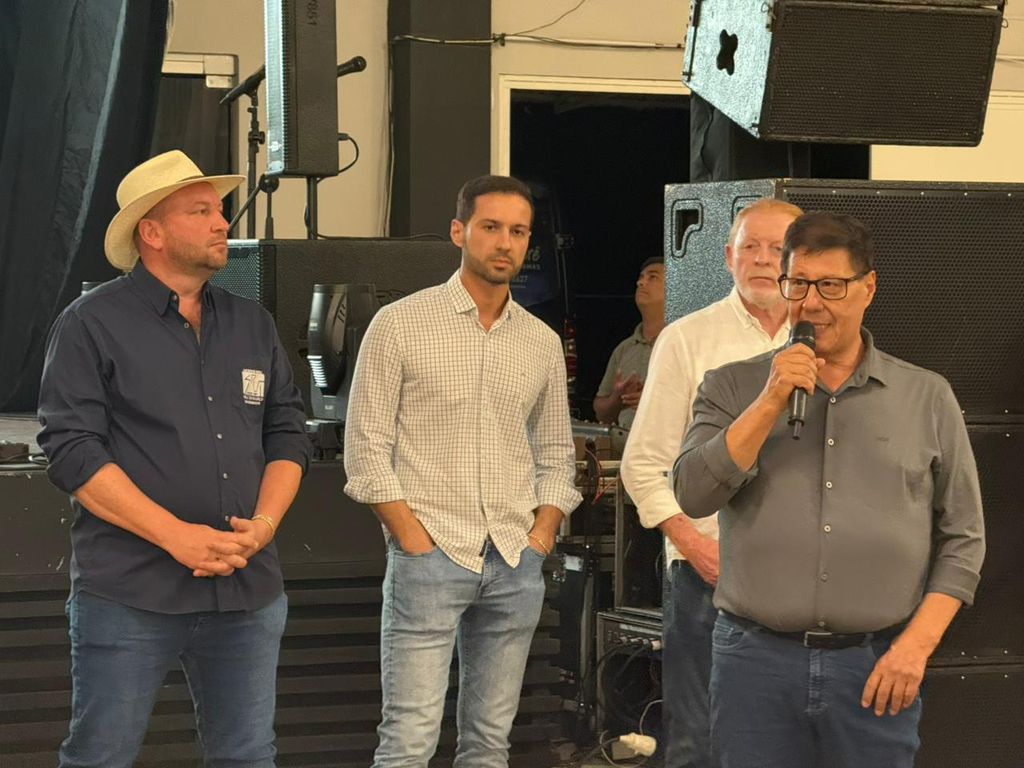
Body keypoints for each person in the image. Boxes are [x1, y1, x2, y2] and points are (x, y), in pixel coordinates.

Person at [673, 211, 985, 768]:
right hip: (754, 664)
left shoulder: (927, 396)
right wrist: (769, 400)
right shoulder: (732, 386)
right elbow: (693, 494)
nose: (811, 303)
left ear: (869, 288)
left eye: (831, 286)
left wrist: (914, 648)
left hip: (876, 665)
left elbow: (964, 537)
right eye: (797, 284)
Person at [37, 150, 311, 768]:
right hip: (131, 593)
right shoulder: (90, 324)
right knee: (101, 757)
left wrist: (265, 526)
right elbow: (72, 452)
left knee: (247, 756)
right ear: (152, 234)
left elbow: (287, 432)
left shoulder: (251, 323)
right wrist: (176, 537)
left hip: (247, 592)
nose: (222, 222)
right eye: (200, 211)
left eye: (219, 209)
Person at [343, 175, 581, 768]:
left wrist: (541, 536)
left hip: (515, 556)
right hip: (430, 552)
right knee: (408, 741)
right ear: (459, 231)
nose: (505, 243)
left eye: (519, 231)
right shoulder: (400, 323)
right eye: (491, 227)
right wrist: (410, 536)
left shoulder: (540, 341)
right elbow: (365, 449)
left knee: (489, 745)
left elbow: (557, 453)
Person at [620, 198, 801, 768]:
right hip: (708, 575)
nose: (763, 259)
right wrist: (694, 546)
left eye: (778, 248)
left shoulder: (826, 340)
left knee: (787, 740)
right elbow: (643, 464)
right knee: (698, 740)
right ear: (727, 257)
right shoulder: (687, 340)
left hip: (804, 578)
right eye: (750, 247)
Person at [593, 257, 666, 428]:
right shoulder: (624, 349)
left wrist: (657, 402)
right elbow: (601, 414)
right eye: (641, 277)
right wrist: (617, 399)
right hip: (625, 444)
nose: (641, 282)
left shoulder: (683, 344)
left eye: (652, 277)